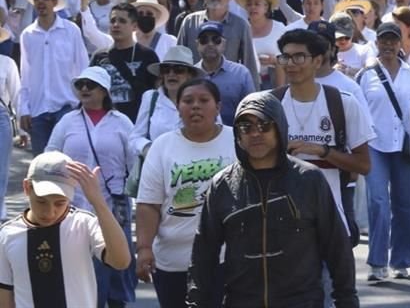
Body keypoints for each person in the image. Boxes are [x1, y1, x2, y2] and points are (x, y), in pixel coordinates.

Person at [186, 92, 358, 307]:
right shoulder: (222, 184)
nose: (256, 133)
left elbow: (337, 247)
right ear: (238, 136)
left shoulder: (309, 179)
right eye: (246, 127)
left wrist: (347, 300)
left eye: (264, 125)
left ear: (280, 128)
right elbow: (204, 252)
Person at [135, 78, 235, 308]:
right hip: (173, 262)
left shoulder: (236, 141)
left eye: (204, 100)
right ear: (178, 108)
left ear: (217, 107)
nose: (196, 106)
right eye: (188, 101)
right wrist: (144, 248)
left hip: (225, 260)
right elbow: (148, 204)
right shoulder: (162, 146)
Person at [45, 66, 137, 307]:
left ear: (104, 91)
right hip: (73, 206)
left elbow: (134, 164)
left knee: (116, 266)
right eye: (81, 85)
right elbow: (50, 154)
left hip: (113, 207)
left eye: (90, 84)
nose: (84, 88)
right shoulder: (68, 121)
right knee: (80, 268)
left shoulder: (122, 122)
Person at [273, 29, 374, 240]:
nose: (291, 64)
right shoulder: (269, 104)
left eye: (299, 57)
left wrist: (324, 151)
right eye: (285, 57)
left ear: (317, 61)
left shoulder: (343, 103)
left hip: (329, 222)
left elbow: (363, 165)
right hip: (280, 222)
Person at [0, 151, 131, 308]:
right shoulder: (7, 235)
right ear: (27, 188)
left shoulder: (84, 224)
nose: (50, 212)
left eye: (60, 203)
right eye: (41, 202)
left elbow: (121, 261)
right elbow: (5, 296)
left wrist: (98, 202)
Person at [355, 22, 410, 282]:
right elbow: (357, 112)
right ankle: (377, 261)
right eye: (383, 40)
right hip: (375, 145)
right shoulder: (365, 75)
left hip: (406, 145)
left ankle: (402, 260)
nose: (387, 45)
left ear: (400, 44)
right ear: (377, 43)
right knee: (378, 202)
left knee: (406, 204)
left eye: (392, 41)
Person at [19, 0, 88, 154]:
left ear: (54, 2)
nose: (41, 1)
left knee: (67, 166)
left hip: (66, 106)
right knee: (40, 169)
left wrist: (83, 102)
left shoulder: (71, 31)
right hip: (38, 108)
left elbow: (83, 67)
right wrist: (23, 108)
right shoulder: (27, 34)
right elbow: (25, 75)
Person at [176, 0, 259, 88]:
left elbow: (249, 64)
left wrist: (254, 101)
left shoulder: (241, 25)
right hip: (194, 89)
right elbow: (179, 61)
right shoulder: (190, 22)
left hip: (229, 90)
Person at [130, 47, 202, 171]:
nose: (171, 74)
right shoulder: (150, 98)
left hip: (193, 170)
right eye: (166, 70)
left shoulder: (202, 100)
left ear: (190, 75)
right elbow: (135, 138)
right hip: (157, 171)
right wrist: (148, 149)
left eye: (178, 70)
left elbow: (215, 132)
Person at [90, 3, 161, 123]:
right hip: (105, 125)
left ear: (134, 26)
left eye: (122, 21)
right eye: (113, 21)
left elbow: (158, 93)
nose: (116, 25)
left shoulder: (148, 56)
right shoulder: (99, 57)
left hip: (138, 125)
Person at [193, 21, 256, 125]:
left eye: (216, 40)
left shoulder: (241, 73)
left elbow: (251, 111)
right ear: (197, 44)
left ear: (224, 44)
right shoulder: (191, 75)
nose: (210, 44)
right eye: (204, 40)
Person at [236, 0, 286, 89]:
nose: (252, 7)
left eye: (257, 4)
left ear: (266, 7)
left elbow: (289, 58)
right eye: (249, 4)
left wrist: (275, 60)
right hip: (247, 83)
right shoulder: (241, 28)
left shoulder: (279, 27)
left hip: (274, 81)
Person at [0, 52, 21, 219]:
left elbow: (16, 97)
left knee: (1, 169)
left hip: (1, 117)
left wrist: (22, 130)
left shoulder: (6, 63)